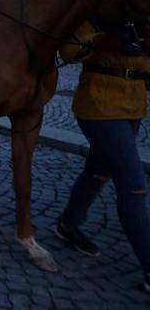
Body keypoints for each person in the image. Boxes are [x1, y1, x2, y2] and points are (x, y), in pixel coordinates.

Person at [54, 19, 150, 294]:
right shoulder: (92, 12)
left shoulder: (138, 16)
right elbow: (69, 51)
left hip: (134, 103)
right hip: (100, 104)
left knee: (98, 171)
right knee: (133, 185)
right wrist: (98, 41)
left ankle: (68, 223)